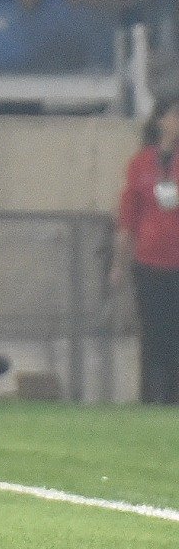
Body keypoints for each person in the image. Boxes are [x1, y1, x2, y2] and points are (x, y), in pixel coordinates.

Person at [115, 96, 179, 405]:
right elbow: (129, 216)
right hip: (150, 262)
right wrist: (119, 263)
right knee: (154, 333)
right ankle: (152, 398)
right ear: (160, 120)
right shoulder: (141, 163)